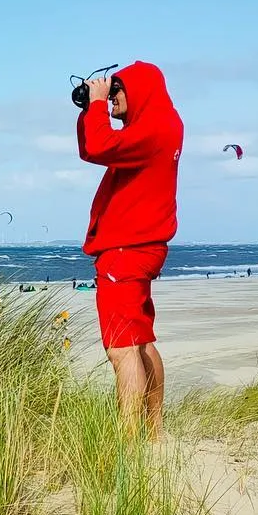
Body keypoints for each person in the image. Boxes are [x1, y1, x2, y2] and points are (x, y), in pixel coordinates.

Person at [78, 61, 183, 438]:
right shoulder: (164, 125)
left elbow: (100, 146)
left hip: (125, 251)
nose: (112, 97)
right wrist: (89, 109)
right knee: (141, 342)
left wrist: (96, 105)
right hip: (144, 248)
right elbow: (94, 147)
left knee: (122, 351)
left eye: (117, 90)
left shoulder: (152, 129)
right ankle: (153, 432)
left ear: (138, 90)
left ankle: (127, 442)